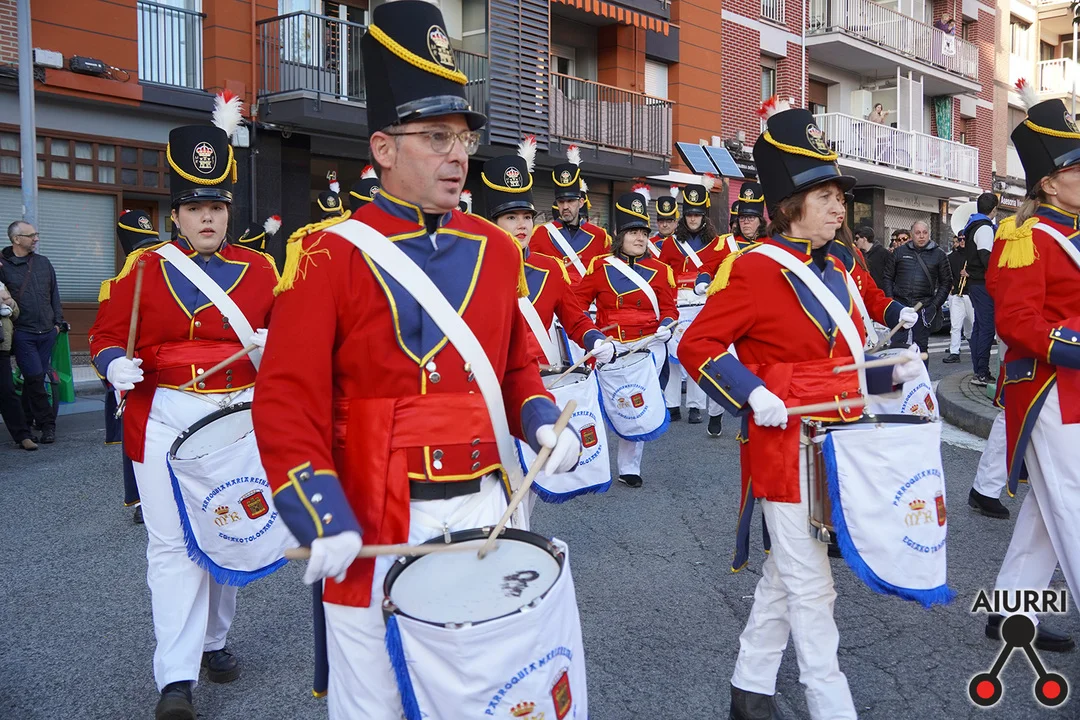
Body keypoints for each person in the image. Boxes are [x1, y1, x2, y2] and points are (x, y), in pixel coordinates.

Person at [250, 5, 582, 718]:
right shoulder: (325, 254)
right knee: (372, 698)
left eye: (464, 138)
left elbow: (515, 366)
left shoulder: (497, 251)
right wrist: (318, 510)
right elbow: (286, 400)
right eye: (436, 137)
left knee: (489, 691)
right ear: (383, 148)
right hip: (374, 513)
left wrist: (541, 421)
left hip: (487, 502)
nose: (458, 155)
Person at [679, 99, 921, 720]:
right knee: (813, 586)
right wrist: (752, 391)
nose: (841, 208)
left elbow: (841, 369)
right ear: (790, 205)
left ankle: (750, 687)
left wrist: (894, 372)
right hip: (784, 450)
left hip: (839, 445)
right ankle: (829, 704)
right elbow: (697, 344)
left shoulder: (839, 267)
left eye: (840, 196)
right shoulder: (755, 270)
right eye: (826, 196)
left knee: (788, 576)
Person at [88, 93, 280, 720]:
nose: (206, 218)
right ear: (176, 215)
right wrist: (113, 364)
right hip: (164, 415)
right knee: (170, 547)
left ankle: (216, 641)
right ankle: (176, 678)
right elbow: (104, 335)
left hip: (237, 420)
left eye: (216, 208)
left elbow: (291, 338)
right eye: (195, 208)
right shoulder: (143, 266)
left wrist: (275, 345)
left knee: (225, 530)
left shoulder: (261, 270)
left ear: (228, 213)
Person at [978, 86, 1080, 654]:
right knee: (1073, 504)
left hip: (1074, 387)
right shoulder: (1027, 237)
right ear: (1049, 183)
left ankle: (1011, 611)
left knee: (1048, 509)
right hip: (1049, 387)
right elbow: (1016, 321)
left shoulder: (1072, 233)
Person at [575, 191, 677, 487]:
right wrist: (591, 336)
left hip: (646, 349)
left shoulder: (661, 270)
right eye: (633, 232)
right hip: (610, 348)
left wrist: (667, 326)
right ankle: (589, 463)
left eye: (643, 232)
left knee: (634, 405)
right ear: (620, 236)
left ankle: (629, 467)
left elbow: (669, 309)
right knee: (602, 404)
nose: (640, 238)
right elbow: (576, 305)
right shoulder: (600, 267)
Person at [480, 137, 611, 366]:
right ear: (493, 223)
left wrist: (595, 339)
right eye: (511, 217)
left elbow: (575, 320)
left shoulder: (551, 269)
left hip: (544, 376)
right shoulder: (475, 272)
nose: (522, 225)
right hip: (496, 377)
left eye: (527, 217)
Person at [101, 210, 163, 523]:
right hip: (140, 367)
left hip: (151, 367)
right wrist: (113, 365)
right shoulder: (128, 276)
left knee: (138, 434)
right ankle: (144, 500)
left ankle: (144, 501)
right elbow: (108, 334)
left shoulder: (116, 281)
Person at [657, 175, 725, 428]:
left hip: (703, 304)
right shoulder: (670, 244)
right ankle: (672, 404)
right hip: (677, 303)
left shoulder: (717, 244)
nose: (693, 219)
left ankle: (696, 405)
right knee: (672, 357)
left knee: (698, 355)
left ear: (704, 216)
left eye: (697, 214)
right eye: (689, 214)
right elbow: (662, 275)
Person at [0, 220, 64, 444]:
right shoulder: (2, 265)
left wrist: (58, 323)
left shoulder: (43, 262)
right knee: (36, 377)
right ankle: (48, 425)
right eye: (31, 235)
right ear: (16, 239)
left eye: (36, 234)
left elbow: (54, 293)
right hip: (22, 332)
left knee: (32, 379)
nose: (36, 238)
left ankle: (26, 419)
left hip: (47, 331)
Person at [530, 145, 611, 284]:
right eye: (561, 202)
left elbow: (606, 276)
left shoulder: (599, 236)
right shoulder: (541, 233)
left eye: (571, 201)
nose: (565, 207)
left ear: (581, 202)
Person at [882, 220, 952, 355]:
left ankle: (921, 370)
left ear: (929, 234)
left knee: (921, 349)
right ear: (912, 235)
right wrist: (891, 301)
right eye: (918, 233)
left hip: (923, 307)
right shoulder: (899, 252)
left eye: (925, 233)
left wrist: (934, 306)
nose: (921, 236)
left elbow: (946, 283)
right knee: (897, 347)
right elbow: (887, 277)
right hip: (900, 306)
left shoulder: (939, 255)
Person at [963, 191, 999, 384]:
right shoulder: (985, 228)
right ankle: (982, 373)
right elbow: (986, 258)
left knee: (979, 327)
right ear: (994, 209)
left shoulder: (973, 225)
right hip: (982, 283)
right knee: (986, 328)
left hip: (975, 283)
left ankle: (978, 369)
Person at [0, 280, 35, 450]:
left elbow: (15, 314)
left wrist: (10, 303)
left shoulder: (1, 286)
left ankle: (23, 436)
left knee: (7, 391)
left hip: (2, 347)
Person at [943, 233, 974, 363]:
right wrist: (950, 286)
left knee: (972, 325)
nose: (961, 241)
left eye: (964, 239)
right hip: (956, 294)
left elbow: (983, 272)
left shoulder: (974, 256)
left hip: (971, 295)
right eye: (959, 239)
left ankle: (975, 348)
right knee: (955, 326)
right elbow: (946, 274)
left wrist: (969, 273)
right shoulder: (951, 257)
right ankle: (954, 352)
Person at [648, 187, 679, 257]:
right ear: (657, 223)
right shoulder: (648, 244)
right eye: (661, 221)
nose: (665, 225)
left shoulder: (682, 243)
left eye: (669, 221)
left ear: (676, 223)